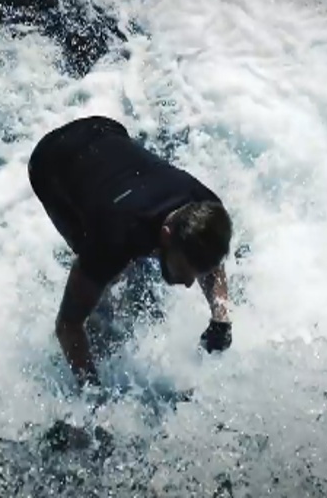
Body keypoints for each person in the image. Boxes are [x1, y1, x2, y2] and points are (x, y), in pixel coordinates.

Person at [28, 115, 235, 389]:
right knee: (102, 281)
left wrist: (220, 315)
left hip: (105, 130)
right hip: (52, 160)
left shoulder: (207, 207)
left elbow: (212, 259)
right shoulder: (112, 236)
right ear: (166, 235)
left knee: (123, 257)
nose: (188, 283)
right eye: (186, 270)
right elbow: (67, 326)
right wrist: (92, 393)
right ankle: (90, 280)